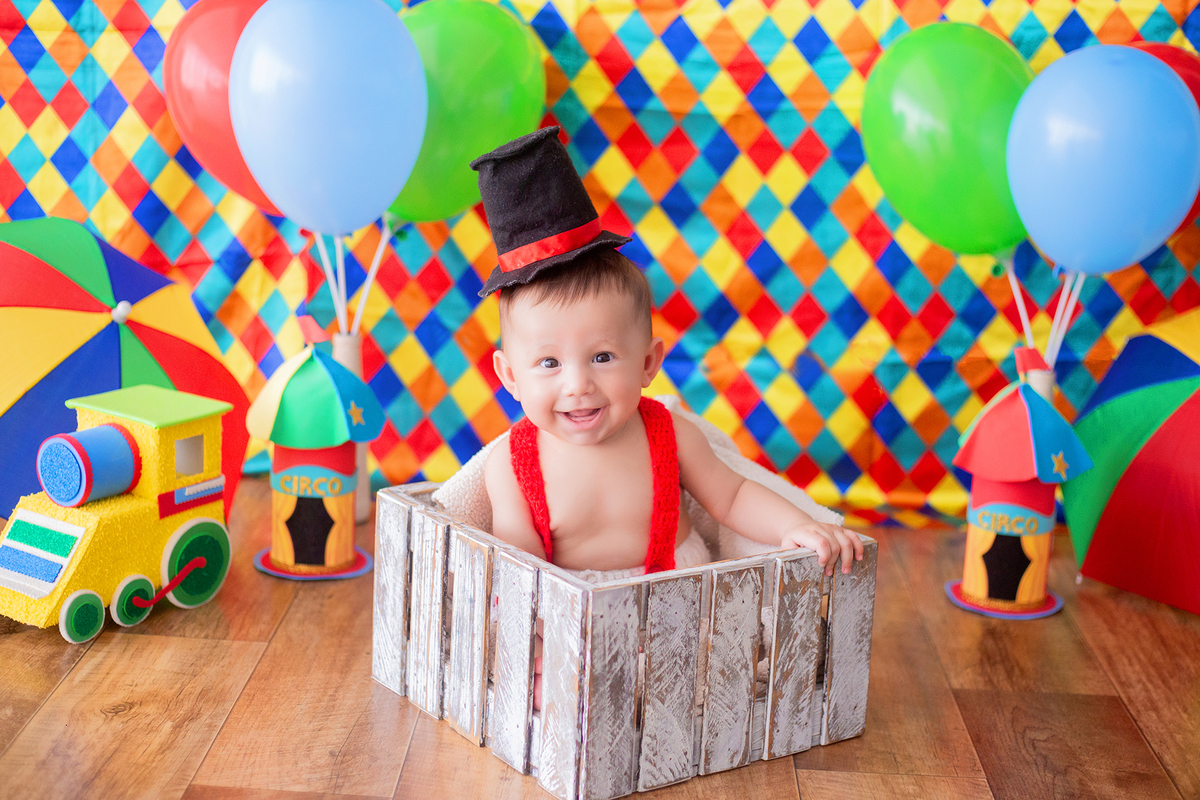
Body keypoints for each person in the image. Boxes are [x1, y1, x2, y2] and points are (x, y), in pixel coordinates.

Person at [475, 126, 863, 586]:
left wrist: (793, 525)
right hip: (573, 606)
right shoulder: (511, 465)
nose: (577, 384)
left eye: (602, 357)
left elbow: (733, 496)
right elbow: (520, 561)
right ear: (511, 375)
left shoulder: (669, 436)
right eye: (549, 363)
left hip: (679, 593)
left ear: (647, 363)